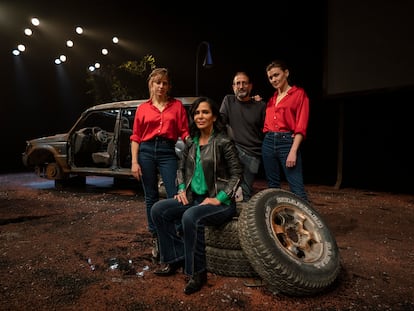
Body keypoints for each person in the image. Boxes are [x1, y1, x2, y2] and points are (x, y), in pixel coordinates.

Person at [151, 97, 242, 295]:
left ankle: (197, 272)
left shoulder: (223, 141)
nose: (200, 116)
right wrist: (182, 189)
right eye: (197, 113)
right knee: (158, 210)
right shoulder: (190, 141)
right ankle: (175, 257)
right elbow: (181, 168)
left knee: (190, 216)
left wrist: (220, 197)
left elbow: (237, 174)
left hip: (220, 202)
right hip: (195, 198)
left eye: (205, 112)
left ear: (214, 116)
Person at [130, 67, 190, 260]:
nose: (161, 86)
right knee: (151, 196)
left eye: (164, 83)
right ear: (151, 85)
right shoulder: (143, 108)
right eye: (158, 82)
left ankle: (177, 232)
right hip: (146, 151)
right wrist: (134, 162)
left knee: (175, 194)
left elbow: (184, 131)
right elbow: (136, 137)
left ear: (168, 86)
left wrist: (198, 146)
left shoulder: (177, 106)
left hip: (167, 151)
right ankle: (155, 235)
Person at [262, 59, 309, 202]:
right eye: (270, 77)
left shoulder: (299, 94)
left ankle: (304, 223)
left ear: (286, 73)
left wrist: (293, 151)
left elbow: (301, 126)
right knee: (273, 187)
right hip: (268, 142)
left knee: (297, 189)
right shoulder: (272, 99)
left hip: (287, 143)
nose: (273, 80)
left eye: (276, 75)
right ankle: (278, 221)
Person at [220, 71, 266, 202]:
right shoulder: (229, 100)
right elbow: (220, 122)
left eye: (244, 83)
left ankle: (243, 220)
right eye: (238, 83)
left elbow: (267, 129)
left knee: (244, 193)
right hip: (235, 150)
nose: (241, 86)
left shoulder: (261, 106)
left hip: (253, 154)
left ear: (250, 86)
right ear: (233, 87)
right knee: (227, 188)